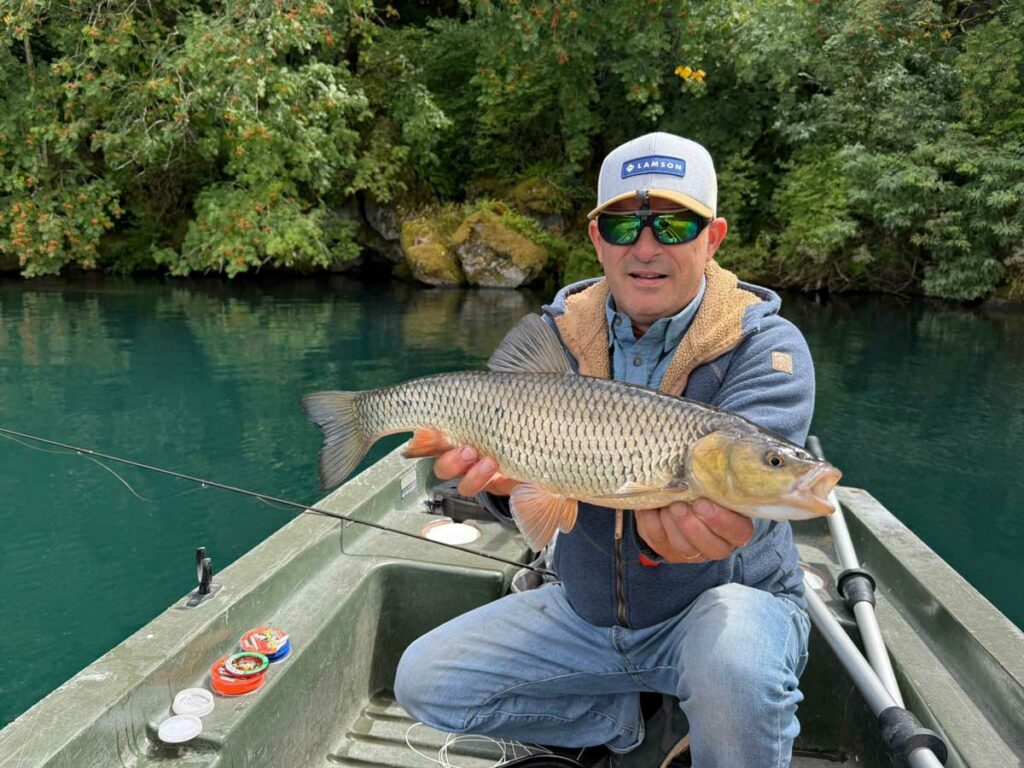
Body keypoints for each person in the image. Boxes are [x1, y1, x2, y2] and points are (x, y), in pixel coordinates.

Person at [394, 132, 815, 767]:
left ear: (714, 236)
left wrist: (676, 532)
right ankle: (626, 719)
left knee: (734, 665)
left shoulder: (768, 348)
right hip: (584, 609)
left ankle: (716, 721)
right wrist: (502, 489)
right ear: (596, 238)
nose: (646, 248)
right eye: (623, 227)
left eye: (674, 226)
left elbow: (738, 505)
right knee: (423, 678)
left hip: (719, 613)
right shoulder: (551, 336)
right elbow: (531, 506)